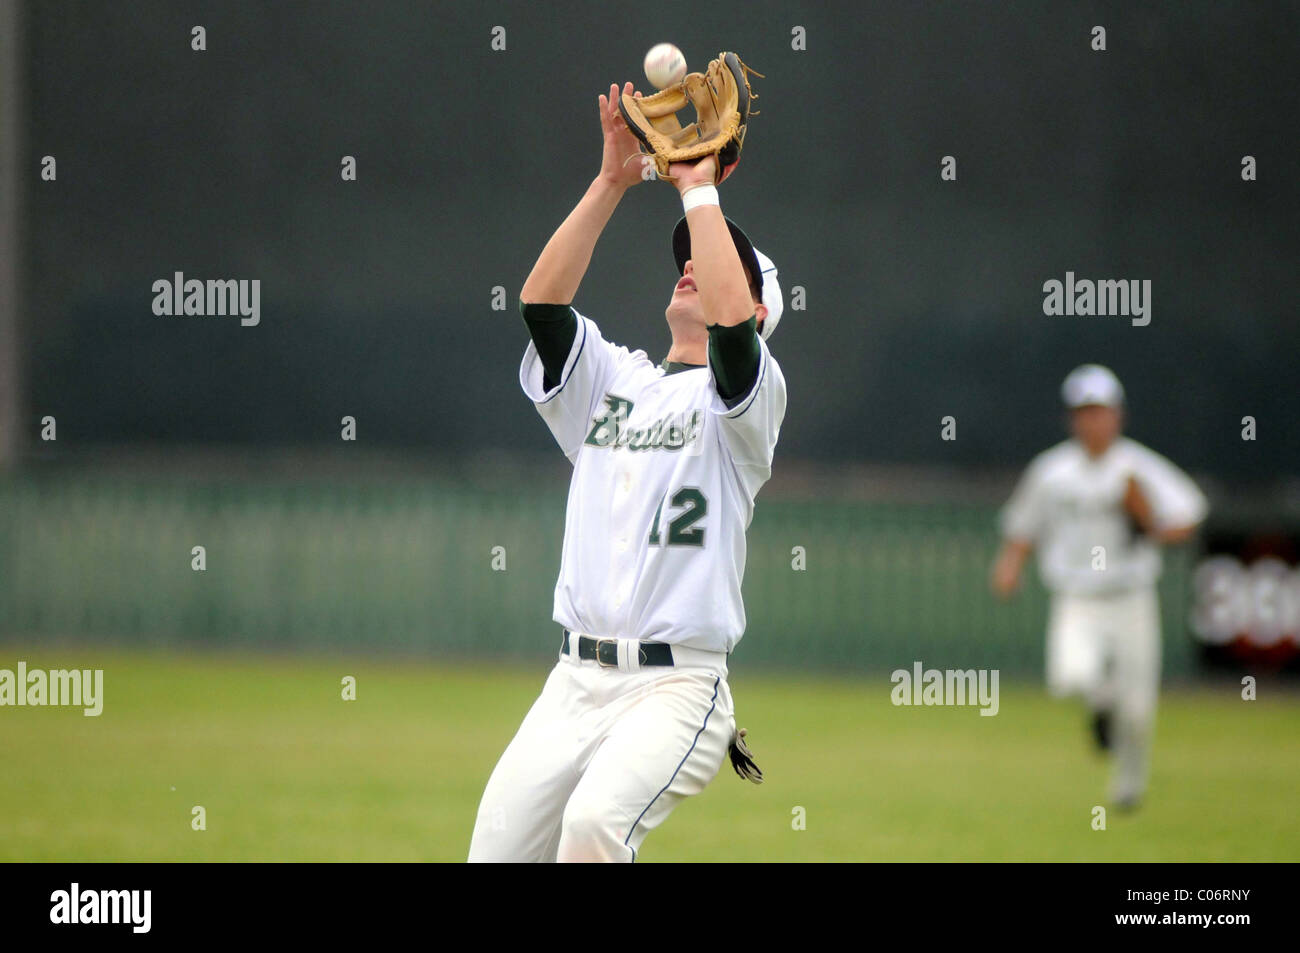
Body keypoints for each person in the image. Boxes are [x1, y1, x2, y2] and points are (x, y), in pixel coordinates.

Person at [467, 82, 787, 861]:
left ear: (757, 308)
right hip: (574, 680)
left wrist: (697, 187)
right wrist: (613, 180)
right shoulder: (616, 379)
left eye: (719, 267)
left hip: (675, 690)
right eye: (690, 258)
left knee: (594, 828)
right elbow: (542, 307)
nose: (694, 268)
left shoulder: (741, 401)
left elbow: (734, 327)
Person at [991, 364, 1207, 810]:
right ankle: (1102, 704)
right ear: (1072, 418)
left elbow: (1188, 515)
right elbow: (1022, 524)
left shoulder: (1137, 467)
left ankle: (1128, 788)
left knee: (1139, 711)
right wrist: (1010, 565)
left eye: (1100, 411)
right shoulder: (1052, 471)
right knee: (1070, 678)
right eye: (1084, 412)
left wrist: (1149, 523)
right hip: (1077, 596)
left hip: (1131, 596)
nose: (1093, 421)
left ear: (1118, 415)